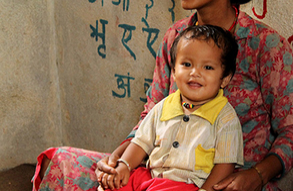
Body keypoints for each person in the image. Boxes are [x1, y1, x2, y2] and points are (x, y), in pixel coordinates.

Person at [32, 0, 293, 191]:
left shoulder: (264, 44)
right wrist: (117, 158)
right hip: (160, 176)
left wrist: (257, 176)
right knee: (62, 163)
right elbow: (152, 114)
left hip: (228, 184)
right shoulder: (176, 37)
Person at [98, 25, 243, 191]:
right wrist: (124, 165)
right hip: (150, 176)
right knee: (113, 184)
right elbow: (141, 142)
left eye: (207, 67)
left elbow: (225, 166)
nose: (195, 72)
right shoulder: (163, 107)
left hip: (186, 185)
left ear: (225, 78)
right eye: (187, 64)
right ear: (174, 72)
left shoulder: (225, 118)